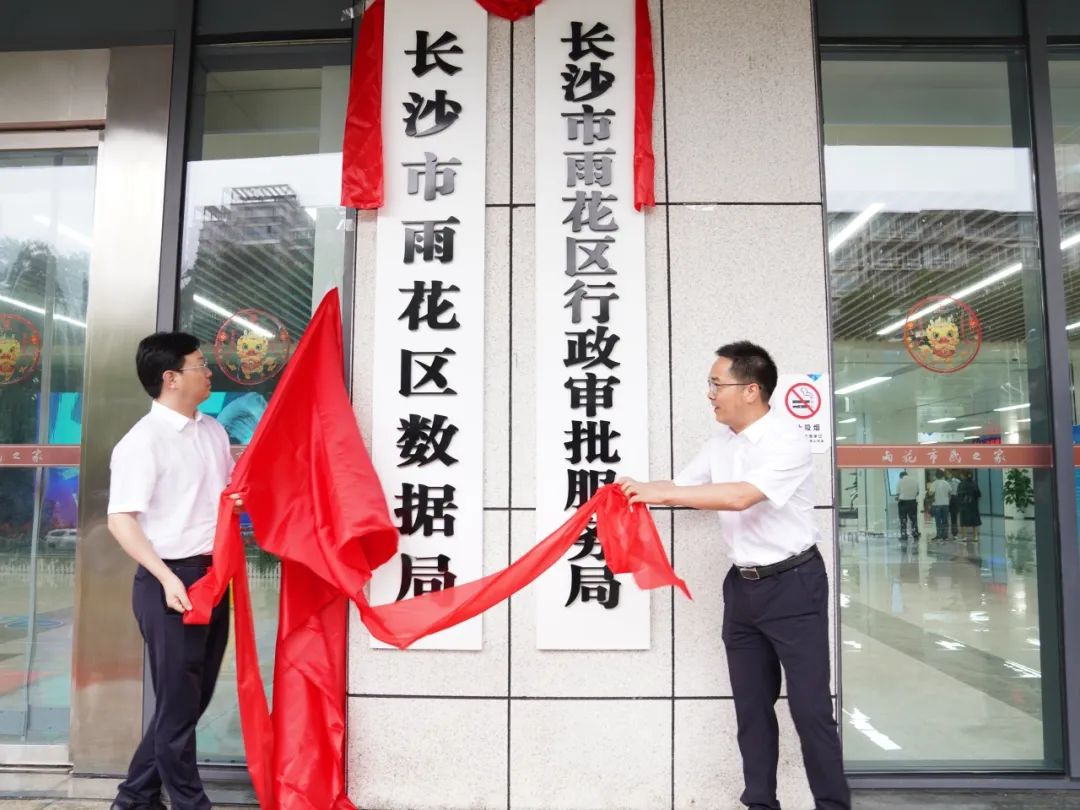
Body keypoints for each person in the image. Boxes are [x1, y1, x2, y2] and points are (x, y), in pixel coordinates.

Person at [618, 341, 850, 810]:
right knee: (751, 710)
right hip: (742, 590)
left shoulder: (786, 441)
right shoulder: (720, 444)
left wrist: (656, 493)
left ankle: (832, 805)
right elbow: (679, 488)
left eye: (715, 384)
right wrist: (627, 490)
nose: (710, 394)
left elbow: (742, 496)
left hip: (794, 586)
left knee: (810, 712)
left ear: (750, 389)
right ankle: (760, 804)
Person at [106, 333, 242, 810]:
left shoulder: (212, 431)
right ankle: (190, 803)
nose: (209, 372)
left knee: (189, 701)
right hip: (171, 581)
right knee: (179, 708)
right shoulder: (143, 442)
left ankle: (134, 798)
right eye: (200, 364)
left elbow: (222, 496)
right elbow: (120, 519)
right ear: (171, 378)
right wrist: (166, 578)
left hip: (213, 576)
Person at [896, 471, 920, 547]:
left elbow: (897, 494)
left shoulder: (900, 481)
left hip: (903, 503)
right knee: (913, 519)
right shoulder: (915, 480)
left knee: (903, 519)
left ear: (901, 476)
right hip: (912, 502)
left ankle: (904, 535)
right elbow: (918, 492)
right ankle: (915, 533)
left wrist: (897, 498)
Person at [957, 470, 982, 543]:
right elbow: (979, 495)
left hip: (964, 506)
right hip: (973, 506)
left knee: (964, 521)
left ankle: (964, 537)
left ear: (964, 475)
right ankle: (975, 537)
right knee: (975, 521)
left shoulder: (961, 484)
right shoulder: (974, 484)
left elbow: (958, 495)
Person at [930, 470, 952, 541]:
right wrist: (948, 500)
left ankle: (939, 535)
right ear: (943, 475)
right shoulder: (946, 483)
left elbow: (931, 493)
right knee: (945, 520)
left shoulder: (934, 483)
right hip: (945, 504)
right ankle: (945, 535)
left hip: (936, 504)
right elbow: (950, 493)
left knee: (938, 520)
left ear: (936, 476)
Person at [947, 470, 961, 539]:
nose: (948, 475)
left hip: (955, 498)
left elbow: (960, 490)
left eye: (949, 474)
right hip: (947, 499)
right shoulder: (945, 482)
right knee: (946, 516)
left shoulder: (957, 481)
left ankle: (954, 532)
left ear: (951, 474)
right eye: (947, 474)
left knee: (954, 516)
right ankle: (945, 532)